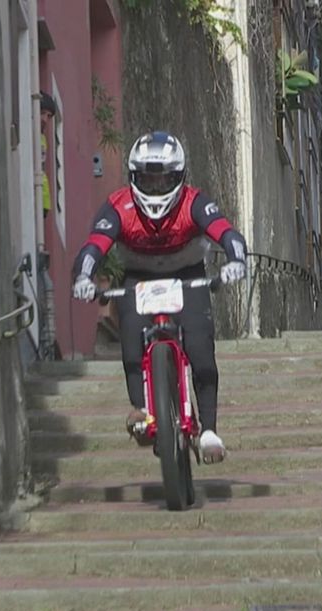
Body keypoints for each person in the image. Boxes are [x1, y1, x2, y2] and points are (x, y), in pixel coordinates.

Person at [70, 131, 248, 464]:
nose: (155, 187)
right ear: (133, 177)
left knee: (201, 350)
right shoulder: (117, 206)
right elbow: (94, 246)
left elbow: (226, 232)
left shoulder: (195, 202)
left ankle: (208, 429)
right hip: (137, 278)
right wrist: (83, 277)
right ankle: (141, 410)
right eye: (147, 179)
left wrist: (237, 260)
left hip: (188, 276)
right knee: (131, 343)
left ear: (179, 177)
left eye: (164, 179)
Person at [39, 91, 57, 220]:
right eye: (42, 113)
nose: (45, 119)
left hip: (41, 199)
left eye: (49, 116)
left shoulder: (42, 139)